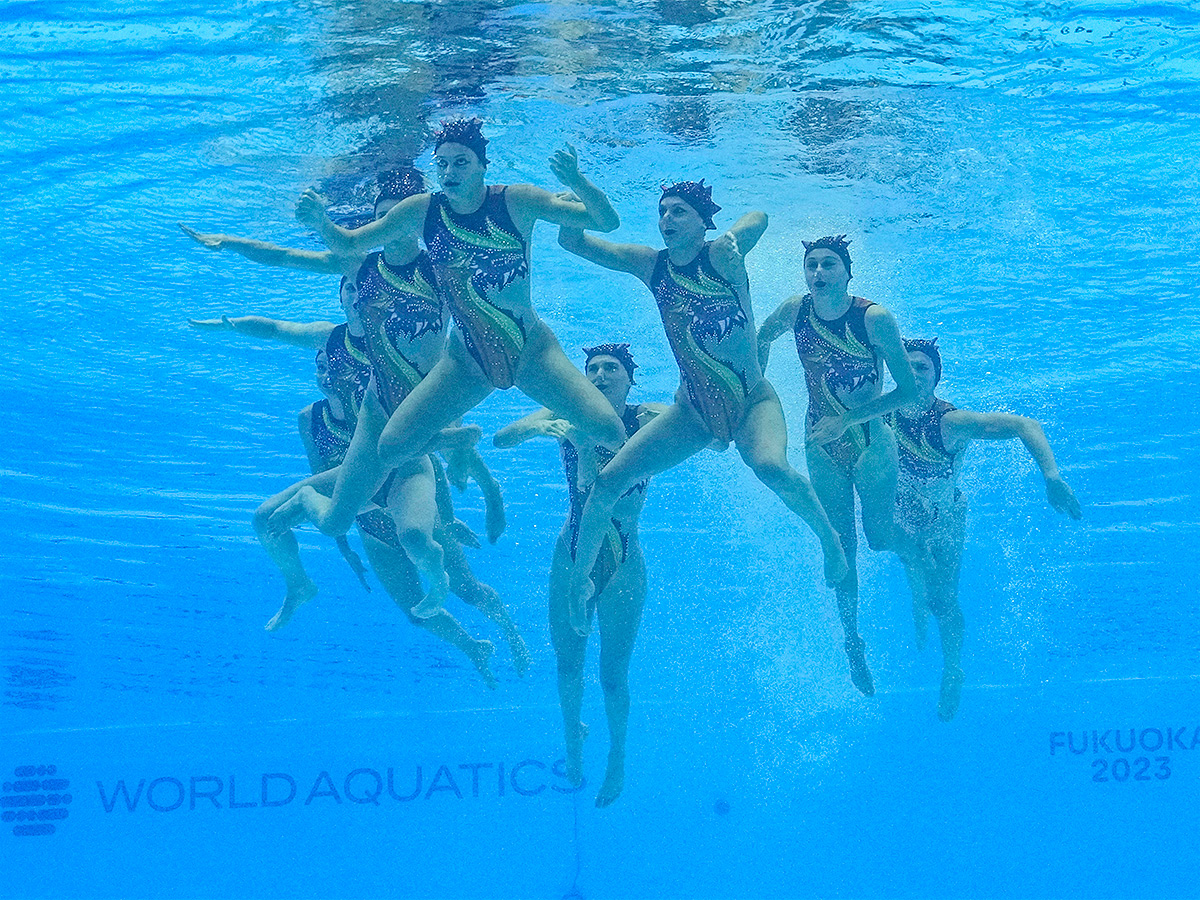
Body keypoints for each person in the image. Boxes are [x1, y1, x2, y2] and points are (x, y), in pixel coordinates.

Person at [271, 118, 628, 549]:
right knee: (391, 449)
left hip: (530, 349)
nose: (450, 172)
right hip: (468, 361)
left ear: (482, 166)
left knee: (610, 431)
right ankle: (444, 437)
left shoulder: (516, 201)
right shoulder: (421, 211)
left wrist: (578, 181)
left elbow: (606, 221)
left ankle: (563, 432)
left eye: (461, 162)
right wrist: (321, 223)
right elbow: (350, 245)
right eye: (442, 164)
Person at [556, 181, 849, 636]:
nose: (667, 220)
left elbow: (760, 218)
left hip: (752, 401)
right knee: (609, 480)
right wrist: (577, 197)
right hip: (693, 414)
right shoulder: (651, 265)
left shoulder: (721, 258)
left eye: (679, 212)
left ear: (701, 221)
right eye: (663, 212)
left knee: (770, 467)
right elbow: (575, 243)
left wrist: (735, 235)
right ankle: (579, 585)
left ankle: (830, 541)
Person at [181, 168, 507, 545]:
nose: (393, 224)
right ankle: (320, 501)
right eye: (383, 216)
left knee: (449, 448)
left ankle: (477, 496)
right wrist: (230, 243)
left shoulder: (442, 267)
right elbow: (285, 257)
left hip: (430, 395)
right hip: (382, 407)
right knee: (342, 516)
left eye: (402, 214)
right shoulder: (360, 267)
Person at [494, 343, 666, 806]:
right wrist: (540, 428)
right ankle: (573, 745)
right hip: (570, 552)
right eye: (592, 369)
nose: (600, 375)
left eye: (612, 369)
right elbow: (502, 438)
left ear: (630, 380)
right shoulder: (565, 412)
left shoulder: (649, 418)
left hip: (625, 558)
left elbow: (705, 433)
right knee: (568, 663)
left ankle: (618, 758)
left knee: (613, 675)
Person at [885, 338, 1081, 720]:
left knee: (942, 599)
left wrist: (1052, 477)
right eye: (905, 367)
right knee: (916, 574)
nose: (912, 374)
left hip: (945, 519)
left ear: (935, 378)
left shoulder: (949, 424)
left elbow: (1026, 425)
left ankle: (953, 667)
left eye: (921, 368)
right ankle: (919, 610)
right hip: (902, 517)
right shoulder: (881, 412)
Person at [758, 235, 919, 697]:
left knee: (878, 536)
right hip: (820, 445)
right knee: (841, 545)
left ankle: (916, 554)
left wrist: (846, 419)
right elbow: (759, 341)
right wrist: (750, 390)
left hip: (870, 439)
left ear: (848, 272)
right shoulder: (795, 311)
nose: (819, 273)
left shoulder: (874, 318)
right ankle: (852, 641)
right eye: (811, 265)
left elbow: (907, 394)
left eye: (829, 264)